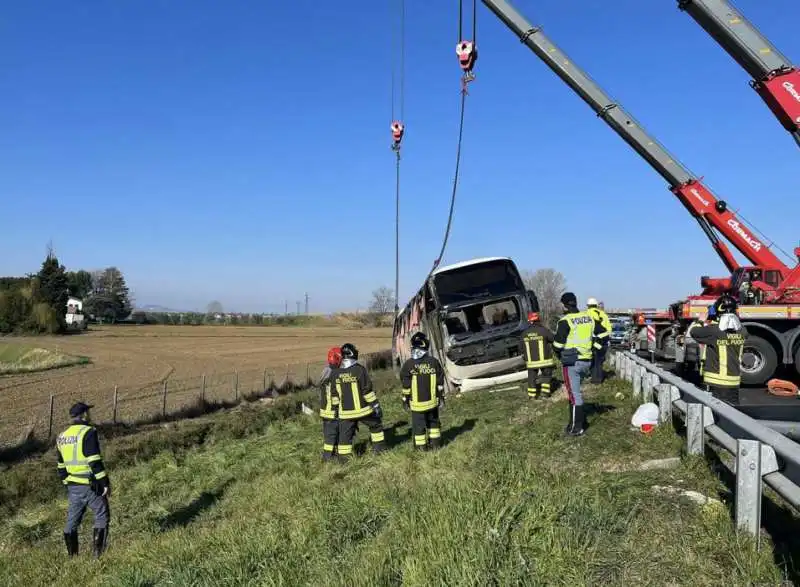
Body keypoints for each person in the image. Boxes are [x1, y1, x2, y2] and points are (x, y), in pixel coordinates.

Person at [56, 402, 110, 558]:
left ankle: (73, 557)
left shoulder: (62, 436)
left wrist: (67, 483)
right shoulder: (88, 432)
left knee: (72, 522)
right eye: (88, 412)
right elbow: (94, 460)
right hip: (89, 484)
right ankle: (98, 556)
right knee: (101, 515)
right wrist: (104, 483)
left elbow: (60, 466)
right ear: (85, 414)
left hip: (73, 486)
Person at [552, 292, 606, 436]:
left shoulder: (565, 321)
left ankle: (577, 428)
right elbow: (603, 334)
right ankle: (573, 423)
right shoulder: (589, 318)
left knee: (574, 395)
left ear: (563, 305)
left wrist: (559, 356)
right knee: (574, 394)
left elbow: (557, 345)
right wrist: (596, 349)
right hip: (586, 361)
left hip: (572, 362)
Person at [691, 295, 747, 405]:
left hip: (716, 383)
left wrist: (700, 321)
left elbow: (694, 332)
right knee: (733, 414)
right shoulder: (743, 331)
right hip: (734, 382)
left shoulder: (713, 331)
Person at [333, 343, 386, 459]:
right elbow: (367, 391)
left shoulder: (335, 373)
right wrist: (376, 405)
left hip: (346, 413)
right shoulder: (359, 370)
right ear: (353, 353)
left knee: (344, 437)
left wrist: (335, 409)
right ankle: (379, 451)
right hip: (363, 410)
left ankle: (343, 460)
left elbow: (334, 395)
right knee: (376, 426)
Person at [399, 332, 445, 450]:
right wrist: (441, 397)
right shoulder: (434, 362)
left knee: (418, 426)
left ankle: (421, 448)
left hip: (417, 405)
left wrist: (405, 399)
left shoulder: (409, 364)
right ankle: (436, 445)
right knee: (434, 423)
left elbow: (406, 385)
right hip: (433, 402)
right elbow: (440, 383)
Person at [520, 312, 555, 399]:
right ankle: (545, 393)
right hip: (545, 360)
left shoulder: (524, 333)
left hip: (531, 362)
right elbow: (553, 339)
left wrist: (525, 357)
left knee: (531, 378)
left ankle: (532, 396)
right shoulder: (544, 330)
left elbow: (520, 347)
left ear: (530, 321)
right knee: (546, 376)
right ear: (538, 319)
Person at [319, 346, 342, 462]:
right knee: (332, 434)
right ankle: (327, 457)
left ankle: (330, 454)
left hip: (325, 410)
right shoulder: (335, 374)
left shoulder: (325, 372)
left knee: (329, 434)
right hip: (332, 410)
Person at [587, 298, 611, 384]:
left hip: (589, 342)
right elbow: (609, 330)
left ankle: (593, 377)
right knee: (599, 361)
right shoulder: (603, 314)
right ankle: (598, 379)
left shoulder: (585, 314)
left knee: (591, 360)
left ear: (587, 306)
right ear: (596, 305)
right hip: (602, 342)